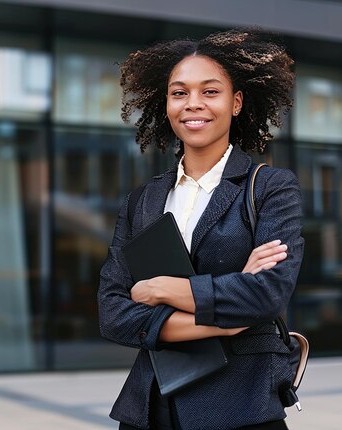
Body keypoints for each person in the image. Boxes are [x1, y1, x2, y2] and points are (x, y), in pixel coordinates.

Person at [98, 28, 304, 430]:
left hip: (240, 409)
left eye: (210, 92)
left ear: (236, 102)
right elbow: (113, 313)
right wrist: (229, 309)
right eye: (179, 93)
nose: (193, 104)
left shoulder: (270, 189)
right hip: (151, 408)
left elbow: (268, 293)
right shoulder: (143, 201)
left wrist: (162, 290)